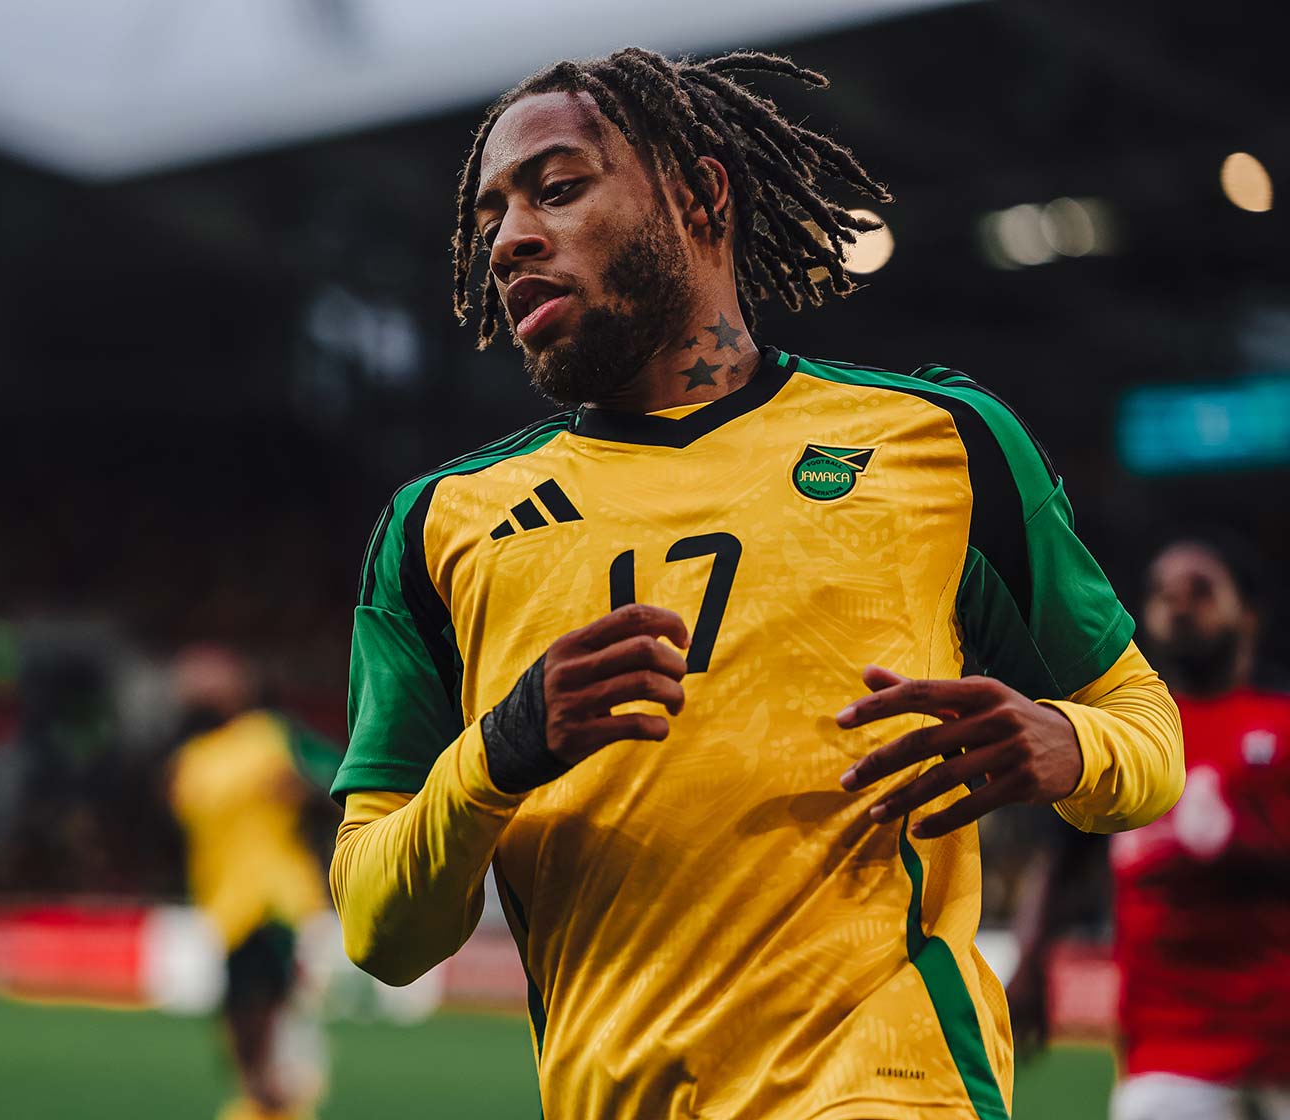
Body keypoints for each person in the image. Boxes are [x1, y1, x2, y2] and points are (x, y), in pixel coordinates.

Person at [328, 47, 1185, 1119]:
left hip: (891, 1084)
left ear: (700, 194)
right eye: (493, 215)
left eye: (556, 188)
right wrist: (499, 749)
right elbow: (376, 928)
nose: (510, 240)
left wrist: (1073, 745)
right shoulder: (439, 528)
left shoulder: (939, 443)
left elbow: (1147, 730)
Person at [1011, 538, 1290, 1120]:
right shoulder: (1128, 738)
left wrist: (1241, 852)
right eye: (1164, 593)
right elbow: (1065, 858)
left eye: (1201, 590)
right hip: (1168, 1054)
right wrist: (1031, 964)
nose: (1180, 605)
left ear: (1251, 615)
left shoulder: (1281, 725)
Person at [168, 646, 342, 1120]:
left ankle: (283, 1106)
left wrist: (304, 788)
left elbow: (343, 782)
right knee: (238, 1034)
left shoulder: (273, 737)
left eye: (213, 675)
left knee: (270, 1025)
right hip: (225, 908)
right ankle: (263, 1105)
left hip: (276, 899)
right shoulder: (189, 761)